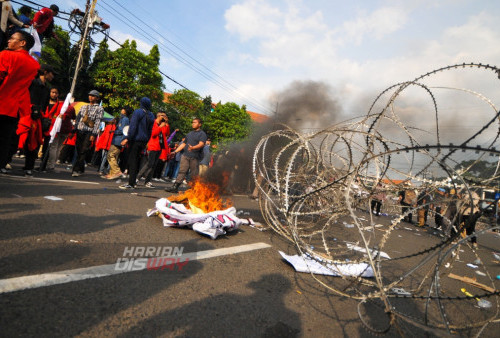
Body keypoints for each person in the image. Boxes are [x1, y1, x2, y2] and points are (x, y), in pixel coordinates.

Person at [0, 31, 39, 174]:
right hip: (13, 109)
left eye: (12, 39)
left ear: (23, 43)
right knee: (4, 142)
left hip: (1, 102)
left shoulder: (6, 55)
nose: (9, 41)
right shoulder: (34, 65)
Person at [119, 97, 154, 189]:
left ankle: (131, 183)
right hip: (143, 141)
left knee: (132, 161)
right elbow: (150, 130)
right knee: (137, 161)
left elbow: (133, 126)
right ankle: (133, 182)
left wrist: (127, 138)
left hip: (135, 140)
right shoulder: (151, 115)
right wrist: (146, 140)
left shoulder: (138, 112)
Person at [166, 118, 207, 193]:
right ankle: (175, 187)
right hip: (185, 155)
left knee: (194, 174)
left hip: (195, 157)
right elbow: (183, 144)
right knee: (182, 171)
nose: (193, 124)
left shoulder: (202, 134)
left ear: (200, 124)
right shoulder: (189, 134)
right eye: (192, 122)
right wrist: (175, 152)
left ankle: (194, 189)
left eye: (195, 122)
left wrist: (193, 147)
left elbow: (201, 144)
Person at [71, 90, 104, 177]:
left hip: (89, 132)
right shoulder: (84, 106)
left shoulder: (99, 109)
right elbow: (78, 118)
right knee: (78, 150)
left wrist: (94, 134)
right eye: (90, 95)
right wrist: (74, 129)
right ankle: (81, 168)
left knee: (83, 150)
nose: (91, 97)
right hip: (80, 130)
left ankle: (76, 169)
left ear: (97, 98)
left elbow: (97, 122)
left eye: (93, 96)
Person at [136, 111, 170, 188]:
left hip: (160, 146)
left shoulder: (164, 124)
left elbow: (167, 133)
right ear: (158, 116)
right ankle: (137, 178)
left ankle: (148, 181)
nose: (164, 117)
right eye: (163, 116)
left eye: (165, 116)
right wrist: (160, 126)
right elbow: (153, 134)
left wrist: (166, 124)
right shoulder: (153, 123)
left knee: (154, 165)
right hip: (153, 146)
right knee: (149, 163)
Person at [104, 107, 131, 180]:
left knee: (110, 155)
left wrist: (115, 131)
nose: (121, 110)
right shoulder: (122, 119)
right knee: (114, 156)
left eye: (123, 109)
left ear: (125, 111)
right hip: (117, 139)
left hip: (118, 140)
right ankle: (112, 173)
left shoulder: (125, 119)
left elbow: (123, 130)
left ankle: (116, 171)